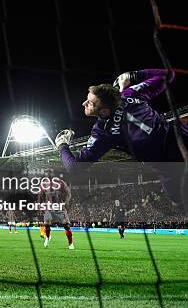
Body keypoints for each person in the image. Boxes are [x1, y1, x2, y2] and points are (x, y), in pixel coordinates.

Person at [55, 69, 188, 213]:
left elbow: (74, 167)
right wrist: (133, 75)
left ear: (104, 111)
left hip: (172, 170)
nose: (84, 103)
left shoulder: (102, 131)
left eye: (90, 102)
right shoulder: (129, 94)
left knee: (179, 202)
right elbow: (168, 75)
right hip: (184, 139)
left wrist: (62, 145)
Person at [39, 169, 74, 249]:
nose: (48, 174)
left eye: (49, 173)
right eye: (46, 173)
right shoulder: (43, 184)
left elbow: (68, 193)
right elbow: (40, 196)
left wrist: (66, 202)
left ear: (53, 173)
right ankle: (47, 238)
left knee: (66, 225)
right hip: (49, 208)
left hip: (60, 208)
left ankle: (71, 244)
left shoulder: (60, 182)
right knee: (46, 225)